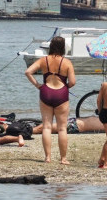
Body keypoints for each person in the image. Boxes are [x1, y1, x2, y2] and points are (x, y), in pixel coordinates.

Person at [24, 35, 76, 164]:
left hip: (46, 91)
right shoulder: (66, 62)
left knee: (46, 127)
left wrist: (37, 85)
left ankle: (47, 157)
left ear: (51, 46)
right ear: (63, 47)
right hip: (61, 93)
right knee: (62, 128)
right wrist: (66, 87)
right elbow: (73, 82)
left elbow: (28, 72)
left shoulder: (43, 60)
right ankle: (63, 158)